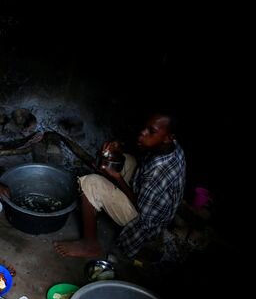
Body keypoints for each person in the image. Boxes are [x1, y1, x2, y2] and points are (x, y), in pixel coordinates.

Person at [54, 110, 186, 259]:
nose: (142, 133)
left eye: (151, 131)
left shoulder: (160, 171)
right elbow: (143, 147)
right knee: (125, 159)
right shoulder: (171, 146)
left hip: (145, 222)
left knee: (91, 183)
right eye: (145, 127)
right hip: (150, 199)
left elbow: (141, 207)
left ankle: (90, 245)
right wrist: (119, 146)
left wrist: (118, 179)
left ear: (169, 137)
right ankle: (106, 183)